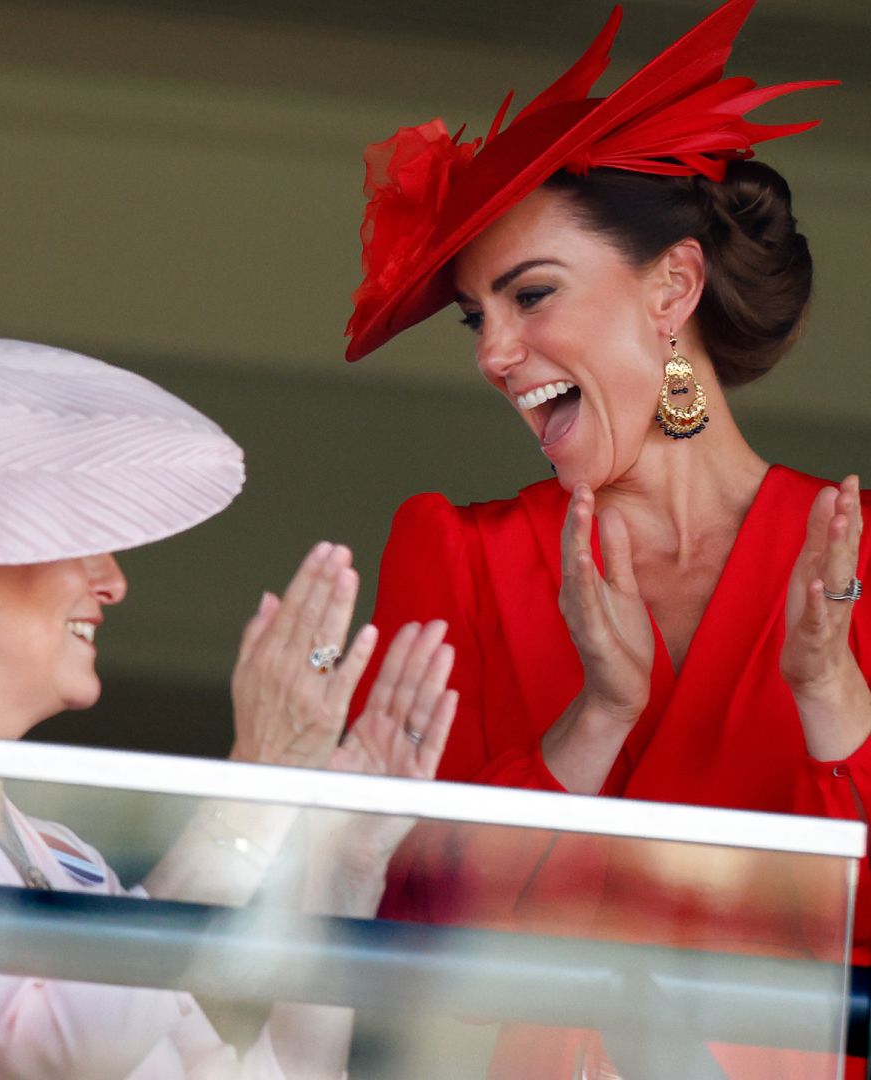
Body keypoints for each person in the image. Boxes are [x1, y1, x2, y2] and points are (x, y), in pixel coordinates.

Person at [343, 0, 870, 1075]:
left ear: (672, 286)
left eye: (530, 295)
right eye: (476, 316)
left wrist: (833, 709)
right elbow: (389, 926)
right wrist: (593, 724)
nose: (495, 352)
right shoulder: (458, 556)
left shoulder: (853, 560)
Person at [0, 296, 458, 1078]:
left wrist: (337, 864)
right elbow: (36, 1050)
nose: (112, 583)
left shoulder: (69, 859)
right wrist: (252, 793)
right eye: (77, 538)